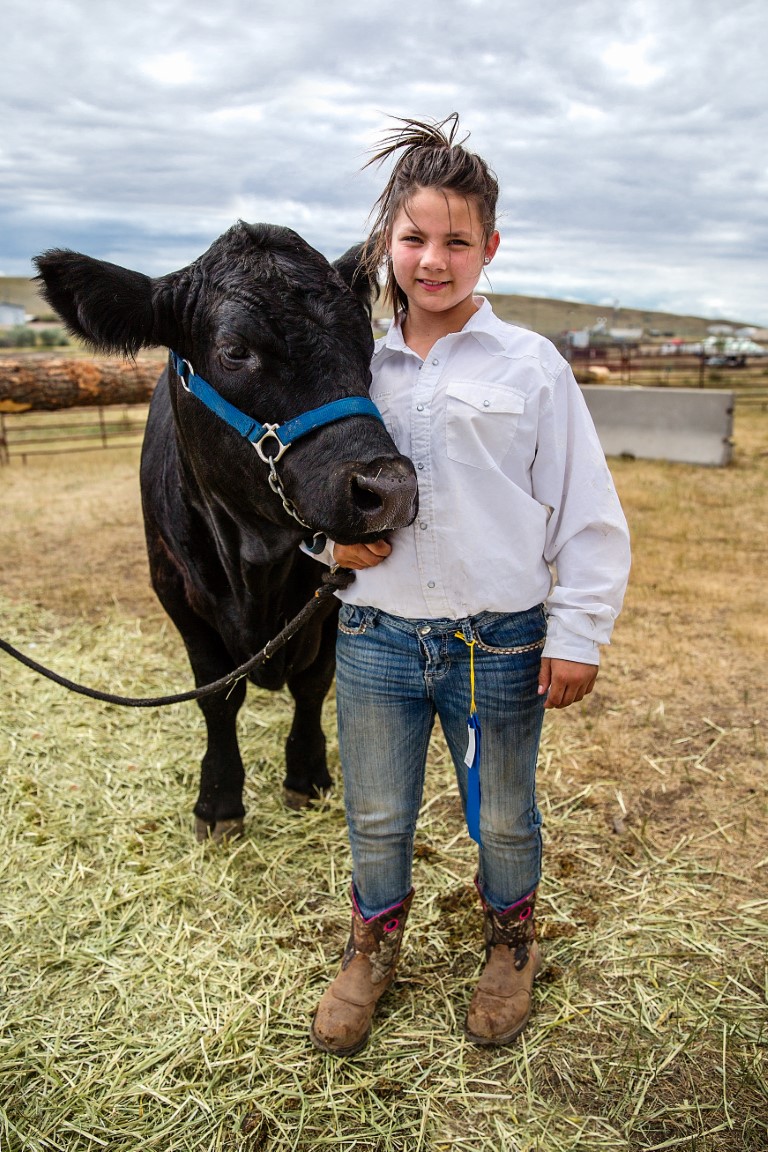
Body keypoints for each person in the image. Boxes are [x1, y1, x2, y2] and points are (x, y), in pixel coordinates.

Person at [308, 114, 631, 1056]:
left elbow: (586, 507)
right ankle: (373, 947)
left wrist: (578, 632)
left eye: (456, 241)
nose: (433, 260)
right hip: (374, 641)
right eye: (414, 238)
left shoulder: (531, 366)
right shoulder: (352, 366)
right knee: (373, 810)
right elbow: (304, 493)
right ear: (386, 246)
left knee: (502, 813)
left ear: (490, 246)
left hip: (499, 643)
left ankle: (511, 941)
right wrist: (327, 552)